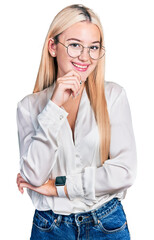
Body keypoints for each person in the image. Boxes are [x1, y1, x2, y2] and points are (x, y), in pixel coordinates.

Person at [16, 4, 137, 240]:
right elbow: (33, 177)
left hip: (107, 223)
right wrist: (54, 107)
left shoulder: (113, 96)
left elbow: (125, 172)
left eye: (93, 47)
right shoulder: (29, 107)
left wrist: (58, 186)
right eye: (74, 45)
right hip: (50, 227)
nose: (85, 57)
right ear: (53, 46)